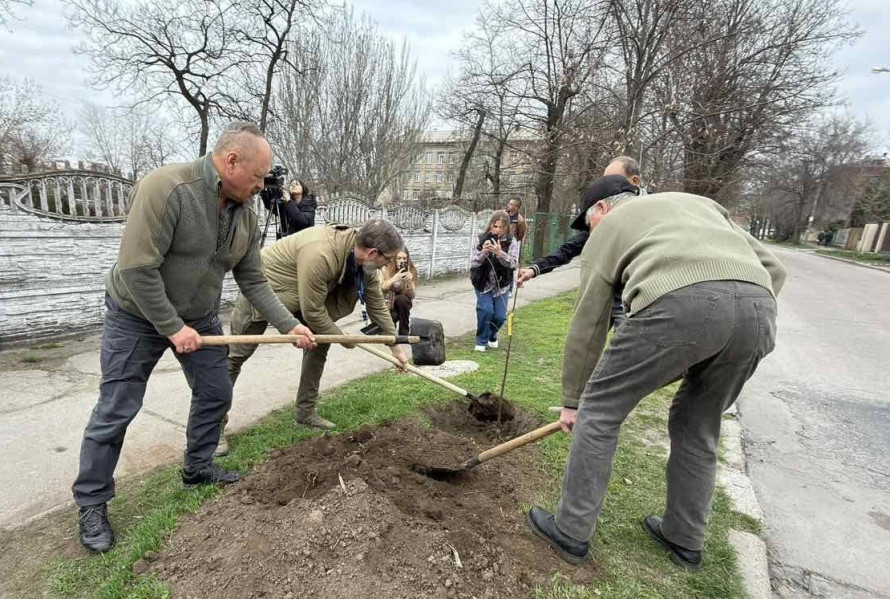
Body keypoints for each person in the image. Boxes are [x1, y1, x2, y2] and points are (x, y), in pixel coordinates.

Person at [71, 122, 315, 554]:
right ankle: (92, 502)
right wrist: (171, 327)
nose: (262, 186)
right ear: (231, 161)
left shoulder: (246, 215)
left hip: (199, 317)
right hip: (136, 314)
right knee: (117, 407)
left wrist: (288, 325)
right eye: (258, 176)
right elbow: (136, 269)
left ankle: (198, 467)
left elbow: (253, 280)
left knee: (216, 391)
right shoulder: (166, 188)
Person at [526, 180, 787, 569]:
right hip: (759, 310)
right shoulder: (700, 204)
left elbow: (589, 321)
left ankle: (571, 530)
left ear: (602, 209)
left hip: (675, 306)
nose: (590, 230)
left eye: (588, 222)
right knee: (698, 423)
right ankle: (684, 538)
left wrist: (573, 400)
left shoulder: (610, 227)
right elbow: (774, 269)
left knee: (599, 411)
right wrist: (725, 325)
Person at [225, 219, 408, 435]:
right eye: (387, 260)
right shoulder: (321, 253)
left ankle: (305, 414)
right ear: (372, 253)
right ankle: (213, 427)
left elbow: (375, 302)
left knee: (319, 345)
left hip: (302, 296)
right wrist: (342, 339)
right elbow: (312, 312)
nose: (387, 266)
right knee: (235, 357)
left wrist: (395, 346)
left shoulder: (364, 264)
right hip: (264, 292)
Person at [516, 156, 642, 328]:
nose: (607, 186)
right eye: (605, 180)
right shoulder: (602, 217)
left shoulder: (652, 217)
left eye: (614, 180)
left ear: (634, 181)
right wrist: (535, 269)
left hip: (636, 300)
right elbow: (570, 248)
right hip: (605, 296)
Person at [470, 210, 520, 352]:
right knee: (486, 310)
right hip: (483, 283)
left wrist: (500, 253)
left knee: (499, 316)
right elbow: (473, 262)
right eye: (495, 226)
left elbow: (513, 264)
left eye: (501, 227)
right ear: (490, 225)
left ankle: (492, 335)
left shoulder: (512, 242)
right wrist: (483, 253)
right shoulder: (480, 239)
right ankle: (481, 340)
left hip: (501, 285)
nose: (498, 230)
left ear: (507, 228)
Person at [380, 247, 419, 336]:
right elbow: (382, 287)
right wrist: (395, 278)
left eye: (404, 258)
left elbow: (412, 296)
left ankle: (403, 334)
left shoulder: (411, 271)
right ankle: (389, 331)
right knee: (393, 316)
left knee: (402, 300)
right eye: (399, 258)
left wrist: (409, 281)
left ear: (407, 259)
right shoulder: (386, 269)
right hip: (388, 300)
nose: (402, 261)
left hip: (403, 302)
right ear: (394, 259)